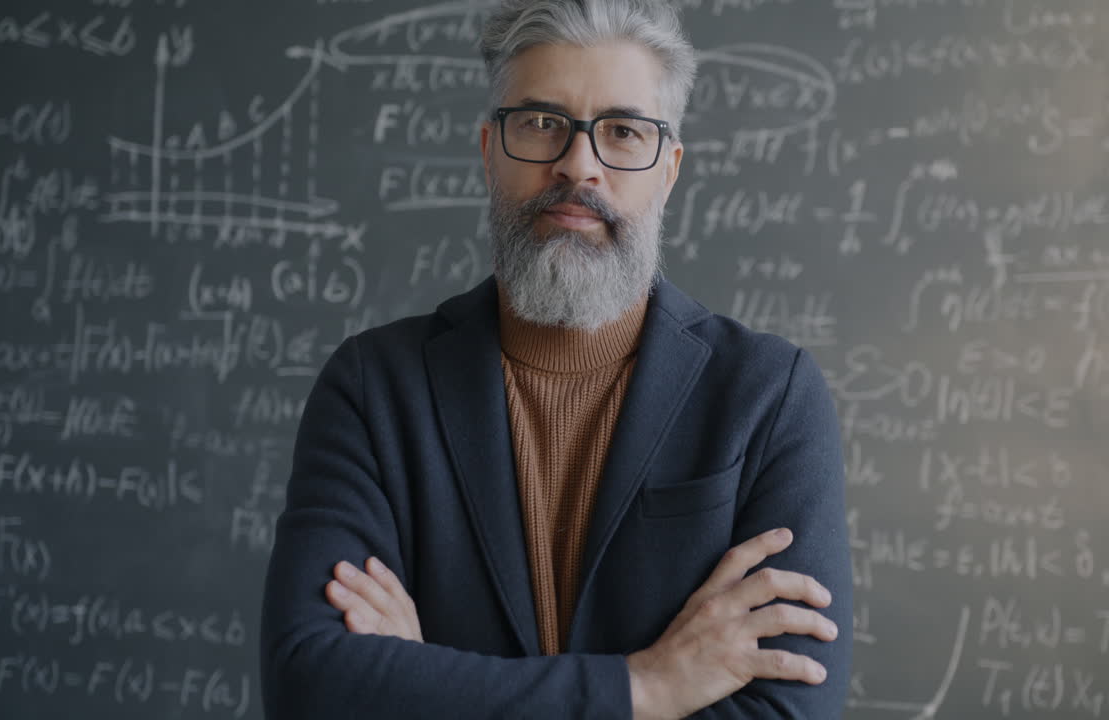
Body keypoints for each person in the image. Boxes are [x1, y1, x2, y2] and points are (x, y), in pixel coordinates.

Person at [259, 0, 852, 717]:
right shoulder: (373, 390)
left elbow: (787, 712)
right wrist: (647, 688)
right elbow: (311, 685)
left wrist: (421, 682)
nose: (579, 165)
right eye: (541, 123)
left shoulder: (769, 398)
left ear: (668, 169)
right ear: (488, 151)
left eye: (624, 132)